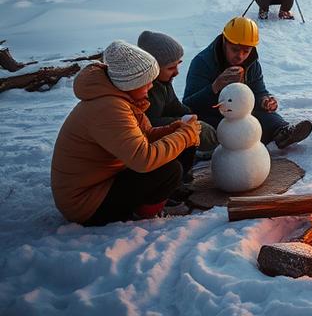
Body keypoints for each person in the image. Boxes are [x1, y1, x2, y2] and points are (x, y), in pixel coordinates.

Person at [50, 40, 200, 225]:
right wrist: (184, 136)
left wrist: (172, 130)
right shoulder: (108, 108)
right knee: (168, 170)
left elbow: (143, 135)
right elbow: (143, 159)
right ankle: (146, 214)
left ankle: (165, 196)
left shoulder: (119, 98)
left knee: (181, 144)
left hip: (105, 180)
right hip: (86, 203)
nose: (151, 86)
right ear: (130, 83)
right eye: (146, 82)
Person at [183, 17, 312, 148]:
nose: (240, 56)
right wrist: (215, 87)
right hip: (214, 115)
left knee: (263, 117)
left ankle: (282, 132)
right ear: (224, 41)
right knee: (214, 128)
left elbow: (259, 91)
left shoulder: (252, 64)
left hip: (243, 114)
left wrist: (265, 101)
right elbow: (189, 106)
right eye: (235, 49)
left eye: (246, 51)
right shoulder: (202, 63)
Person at [139, 31, 218, 157]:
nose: (176, 72)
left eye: (178, 65)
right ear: (153, 69)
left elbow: (173, 104)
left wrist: (190, 114)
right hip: (153, 147)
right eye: (171, 68)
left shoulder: (164, 82)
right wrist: (181, 122)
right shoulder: (146, 91)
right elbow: (150, 124)